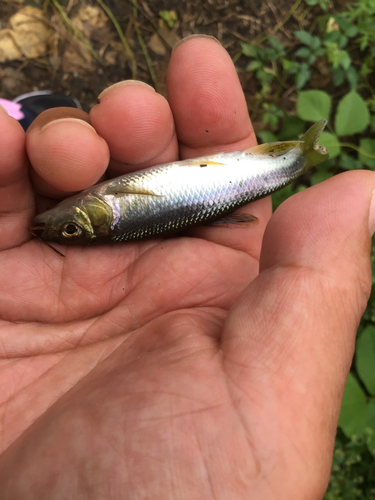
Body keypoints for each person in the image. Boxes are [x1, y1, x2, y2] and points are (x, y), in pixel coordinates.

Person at [0, 34, 373, 499]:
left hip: (214, 183)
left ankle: (298, 153)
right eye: (70, 232)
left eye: (71, 229)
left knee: (102, 129)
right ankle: (300, 153)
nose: (61, 227)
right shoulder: (107, 216)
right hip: (221, 184)